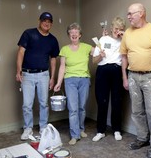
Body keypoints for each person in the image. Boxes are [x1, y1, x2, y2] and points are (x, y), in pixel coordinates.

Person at [120, 3, 151, 158]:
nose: (128, 17)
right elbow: (124, 57)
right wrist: (124, 77)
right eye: (128, 14)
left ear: (141, 13)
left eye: (131, 14)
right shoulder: (128, 33)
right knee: (137, 111)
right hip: (132, 76)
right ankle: (142, 138)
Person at [16, 12, 59, 141]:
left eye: (49, 21)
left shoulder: (52, 40)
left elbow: (53, 60)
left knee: (44, 103)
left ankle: (43, 128)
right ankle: (28, 128)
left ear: (51, 24)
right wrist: (18, 71)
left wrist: (52, 77)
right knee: (27, 104)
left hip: (44, 75)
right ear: (39, 21)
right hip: (27, 74)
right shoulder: (28, 34)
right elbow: (20, 53)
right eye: (44, 20)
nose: (47, 23)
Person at [54, 23, 94, 145]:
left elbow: (100, 52)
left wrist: (105, 38)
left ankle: (81, 129)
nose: (74, 34)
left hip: (84, 80)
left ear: (80, 35)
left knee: (81, 107)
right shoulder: (65, 49)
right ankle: (74, 135)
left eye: (76, 32)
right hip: (70, 80)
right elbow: (62, 67)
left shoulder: (87, 47)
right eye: (71, 32)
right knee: (73, 109)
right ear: (69, 35)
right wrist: (58, 82)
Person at [92, 17, 126, 142]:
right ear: (111, 28)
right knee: (102, 101)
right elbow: (94, 61)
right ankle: (100, 131)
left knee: (117, 101)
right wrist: (100, 56)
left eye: (121, 29)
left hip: (117, 70)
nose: (117, 31)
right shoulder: (103, 39)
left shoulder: (125, 40)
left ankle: (117, 129)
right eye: (116, 29)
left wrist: (124, 38)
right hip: (103, 71)